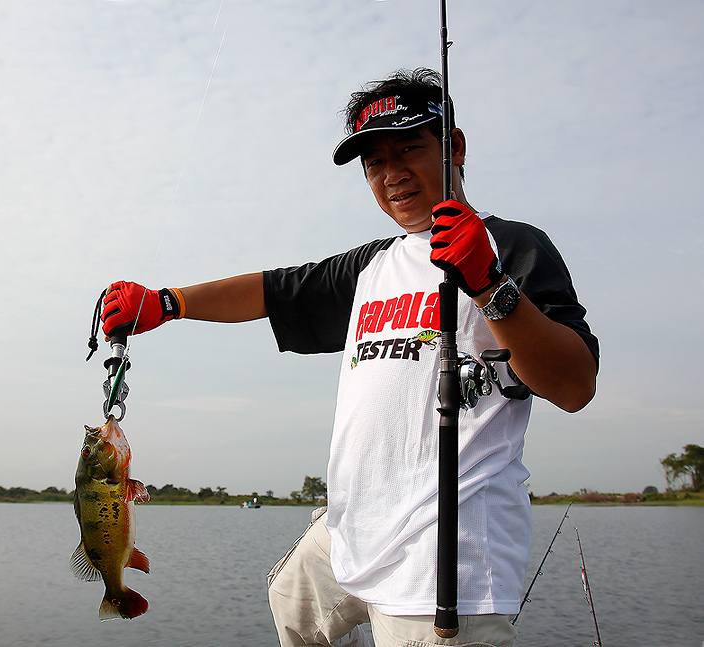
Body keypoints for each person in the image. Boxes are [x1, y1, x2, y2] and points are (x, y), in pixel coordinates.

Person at [100, 68, 598, 647]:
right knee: (291, 600)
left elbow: (574, 384)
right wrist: (168, 302)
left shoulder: (512, 246)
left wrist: (488, 283)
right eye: (374, 162)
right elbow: (272, 290)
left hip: (445, 558)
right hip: (351, 532)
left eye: (409, 147)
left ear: (454, 148)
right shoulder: (372, 266)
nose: (392, 174)